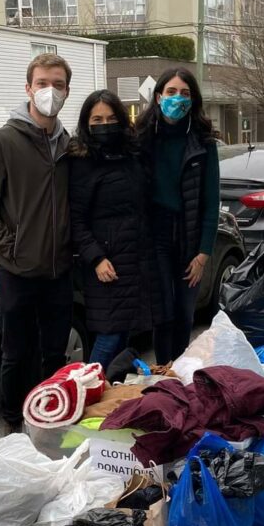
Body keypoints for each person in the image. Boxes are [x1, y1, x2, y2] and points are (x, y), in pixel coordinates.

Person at [0, 53, 73, 429]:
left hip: (58, 272)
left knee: (54, 355)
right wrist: (9, 248)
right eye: (42, 83)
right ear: (28, 88)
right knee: (15, 354)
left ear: (67, 91)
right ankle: (13, 425)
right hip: (17, 272)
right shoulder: (3, 142)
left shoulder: (66, 146)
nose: (50, 91)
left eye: (57, 85)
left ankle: (49, 422)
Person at [136, 67, 220, 365]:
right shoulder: (141, 139)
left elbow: (212, 200)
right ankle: (163, 372)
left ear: (193, 100)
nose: (177, 99)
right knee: (163, 312)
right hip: (155, 237)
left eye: (185, 93)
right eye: (171, 92)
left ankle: (180, 370)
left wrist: (203, 253)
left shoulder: (203, 142)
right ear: (158, 97)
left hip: (189, 237)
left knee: (184, 313)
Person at [68, 90, 157, 371]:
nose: (104, 124)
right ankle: (83, 392)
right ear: (86, 123)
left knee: (124, 336)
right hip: (106, 267)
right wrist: (95, 258)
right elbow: (76, 219)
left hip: (135, 262)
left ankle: (107, 399)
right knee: (109, 336)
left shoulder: (133, 156)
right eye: (97, 119)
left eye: (110, 118)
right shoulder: (82, 161)